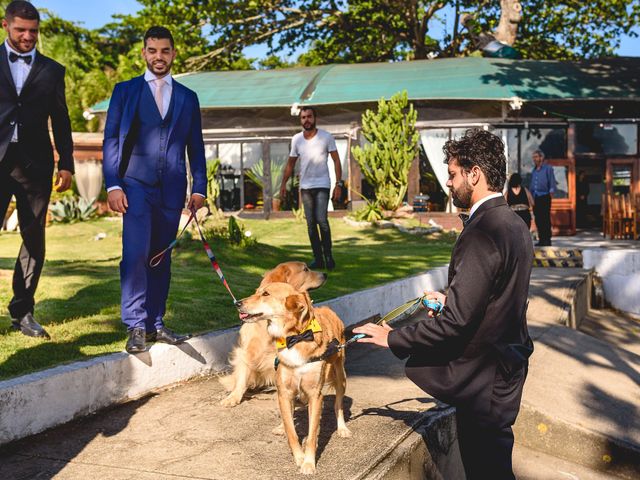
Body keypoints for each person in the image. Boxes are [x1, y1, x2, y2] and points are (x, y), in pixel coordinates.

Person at [354, 129, 534, 479]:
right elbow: (500, 293)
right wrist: (452, 298)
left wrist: (391, 338)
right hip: (506, 373)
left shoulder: (481, 232)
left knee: (487, 471)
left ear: (474, 174)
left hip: (483, 382)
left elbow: (457, 323)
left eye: (452, 175)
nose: (448, 184)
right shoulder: (515, 224)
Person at [103, 26, 207, 354]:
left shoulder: (188, 97)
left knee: (161, 257)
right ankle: (135, 325)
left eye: (164, 50)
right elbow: (112, 141)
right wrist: (113, 184)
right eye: (152, 50)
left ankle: (155, 323)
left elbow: (196, 146)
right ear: (144, 53)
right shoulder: (125, 91)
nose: (158, 56)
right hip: (134, 185)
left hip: (172, 189)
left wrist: (199, 187)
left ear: (173, 54)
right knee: (135, 255)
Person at [0, 1, 74, 339]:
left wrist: (67, 164)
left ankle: (23, 312)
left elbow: (60, 118)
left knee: (33, 238)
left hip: (36, 165)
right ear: (6, 26)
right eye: (21, 30)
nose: (28, 36)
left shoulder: (52, 69)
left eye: (33, 31)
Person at [280, 106, 342, 270]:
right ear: (300, 120)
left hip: (322, 184)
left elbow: (336, 161)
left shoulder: (326, 137)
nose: (306, 120)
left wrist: (338, 184)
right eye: (303, 117)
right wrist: (283, 184)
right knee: (311, 224)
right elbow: (290, 164)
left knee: (322, 220)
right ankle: (318, 258)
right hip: (306, 187)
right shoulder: (297, 140)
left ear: (315, 118)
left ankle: (328, 256)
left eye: (309, 117)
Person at [529, 150, 556, 246]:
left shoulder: (548, 168)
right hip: (535, 197)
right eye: (533, 157)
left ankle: (547, 240)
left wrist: (551, 193)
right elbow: (532, 185)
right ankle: (541, 239)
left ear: (541, 158)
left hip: (544, 196)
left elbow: (552, 181)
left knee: (545, 218)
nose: (534, 159)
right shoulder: (534, 170)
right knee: (538, 219)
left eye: (536, 157)